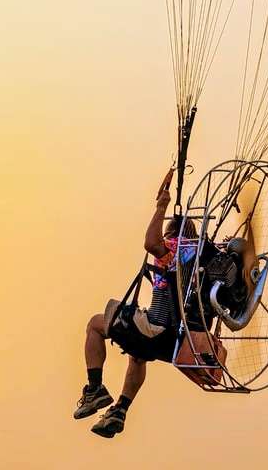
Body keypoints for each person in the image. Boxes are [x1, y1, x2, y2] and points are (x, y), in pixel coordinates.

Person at [73, 168, 197, 438]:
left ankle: (95, 389)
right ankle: (120, 410)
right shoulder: (201, 259)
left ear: (173, 234)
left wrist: (161, 206)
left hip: (157, 326)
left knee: (95, 324)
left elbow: (151, 243)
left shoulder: (176, 249)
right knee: (137, 354)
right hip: (174, 340)